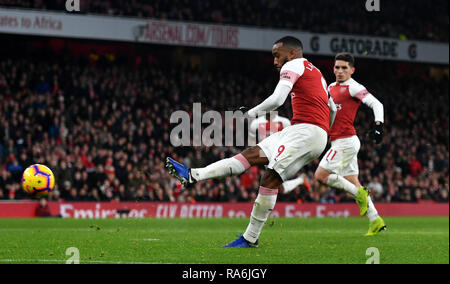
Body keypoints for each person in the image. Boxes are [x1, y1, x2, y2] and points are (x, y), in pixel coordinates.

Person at [166, 36, 340, 248]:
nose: (275, 62)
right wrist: (326, 134)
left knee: (270, 179)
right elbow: (332, 108)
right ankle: (193, 175)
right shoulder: (317, 73)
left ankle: (250, 238)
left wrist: (248, 114)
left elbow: (277, 100)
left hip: (306, 131)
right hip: (303, 130)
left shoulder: (293, 65)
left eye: (278, 55)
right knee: (250, 155)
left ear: (292, 53)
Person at [314, 52, 386, 236]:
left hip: (346, 141)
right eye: (337, 67)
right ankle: (375, 220)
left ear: (352, 70)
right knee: (353, 181)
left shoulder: (353, 87)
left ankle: (359, 194)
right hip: (337, 141)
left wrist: (379, 125)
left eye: (344, 68)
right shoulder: (330, 87)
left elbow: (377, 104)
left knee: (320, 175)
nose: (340, 71)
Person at [249, 111, 310, 192]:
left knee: (274, 186)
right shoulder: (256, 123)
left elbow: (290, 138)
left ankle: (299, 179)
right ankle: (300, 180)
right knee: (279, 188)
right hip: (265, 157)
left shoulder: (284, 122)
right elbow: (252, 143)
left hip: (279, 155)